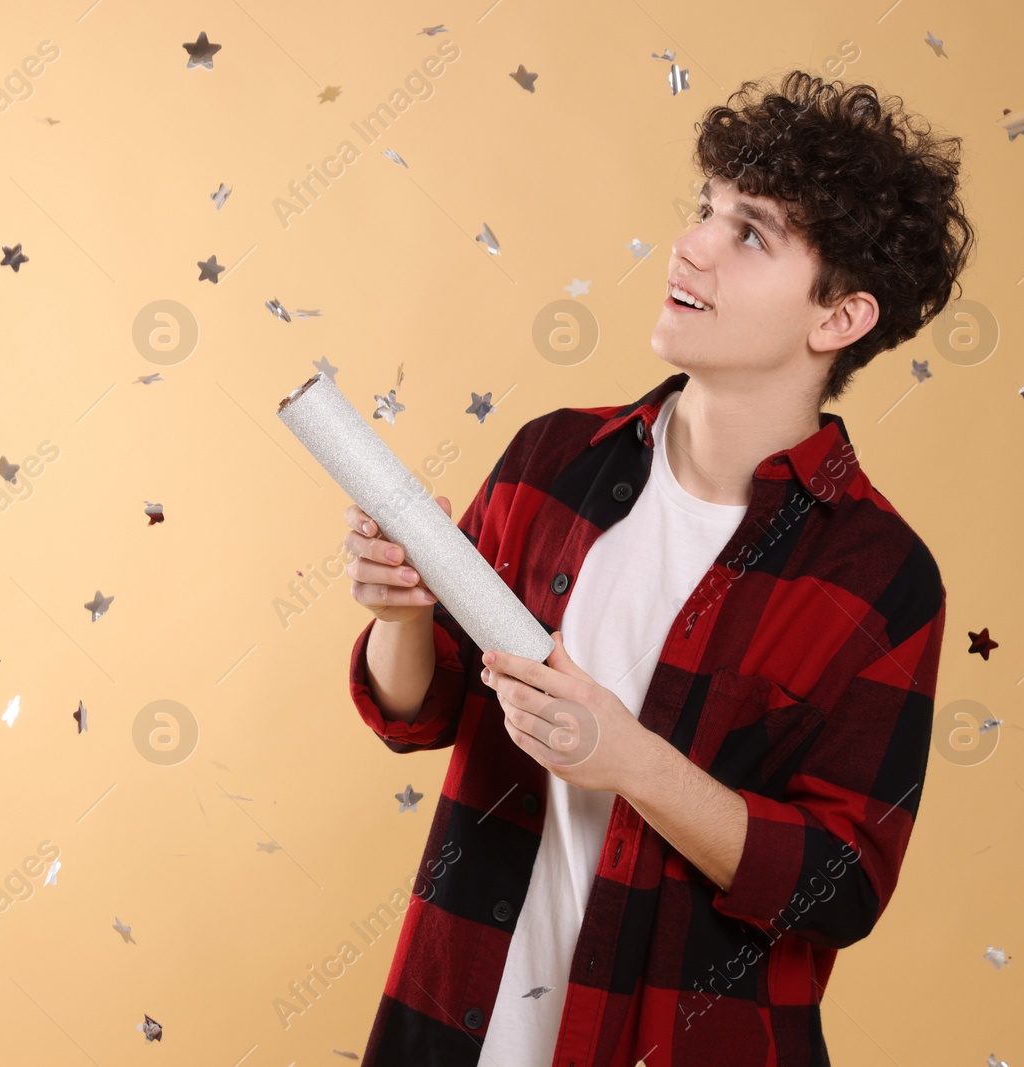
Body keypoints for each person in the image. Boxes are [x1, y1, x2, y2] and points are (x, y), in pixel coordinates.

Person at [341, 69, 974, 1066]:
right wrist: (401, 612)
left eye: (749, 233)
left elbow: (838, 886)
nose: (690, 245)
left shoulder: (878, 576)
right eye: (703, 210)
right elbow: (420, 710)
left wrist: (625, 758)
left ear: (839, 319)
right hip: (459, 1021)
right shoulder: (555, 460)